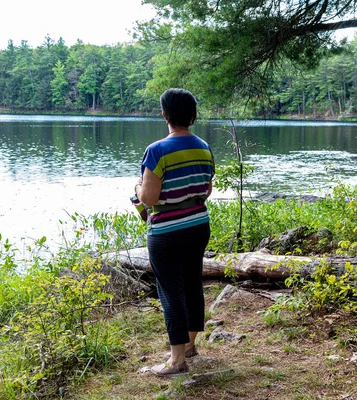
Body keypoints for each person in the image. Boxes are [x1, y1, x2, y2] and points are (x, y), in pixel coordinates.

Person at [134, 88, 214, 376]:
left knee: (170, 291)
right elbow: (207, 189)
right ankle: (190, 345)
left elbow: (149, 199)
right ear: (192, 116)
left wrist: (137, 190)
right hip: (198, 225)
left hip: (166, 232)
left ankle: (177, 360)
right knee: (192, 283)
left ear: (164, 115)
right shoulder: (204, 147)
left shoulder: (156, 151)